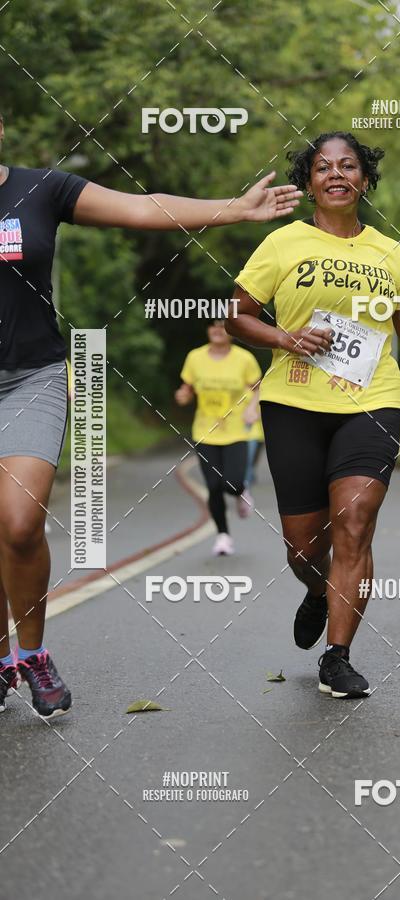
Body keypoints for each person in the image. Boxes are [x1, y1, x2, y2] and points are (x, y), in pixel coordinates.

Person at [0, 108, 302, 718]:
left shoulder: (40, 189)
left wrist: (234, 209)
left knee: (18, 523)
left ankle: (28, 654)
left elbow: (144, 207)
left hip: (29, 377)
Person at [227, 131, 400, 699]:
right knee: (303, 546)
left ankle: (338, 656)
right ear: (309, 183)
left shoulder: (390, 253)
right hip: (294, 400)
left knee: (355, 520)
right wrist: (285, 337)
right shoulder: (282, 243)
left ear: (365, 180)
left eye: (349, 166)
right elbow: (237, 318)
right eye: (323, 168)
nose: (337, 174)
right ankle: (318, 590)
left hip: (371, 398)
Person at [175, 320, 261, 555]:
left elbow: (258, 388)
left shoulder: (244, 359)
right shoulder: (195, 357)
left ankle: (241, 492)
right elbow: (188, 387)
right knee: (213, 486)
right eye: (212, 326)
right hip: (205, 431)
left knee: (230, 483)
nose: (217, 330)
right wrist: (184, 395)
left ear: (232, 332)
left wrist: (253, 408)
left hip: (236, 431)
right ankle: (223, 535)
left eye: (223, 326)